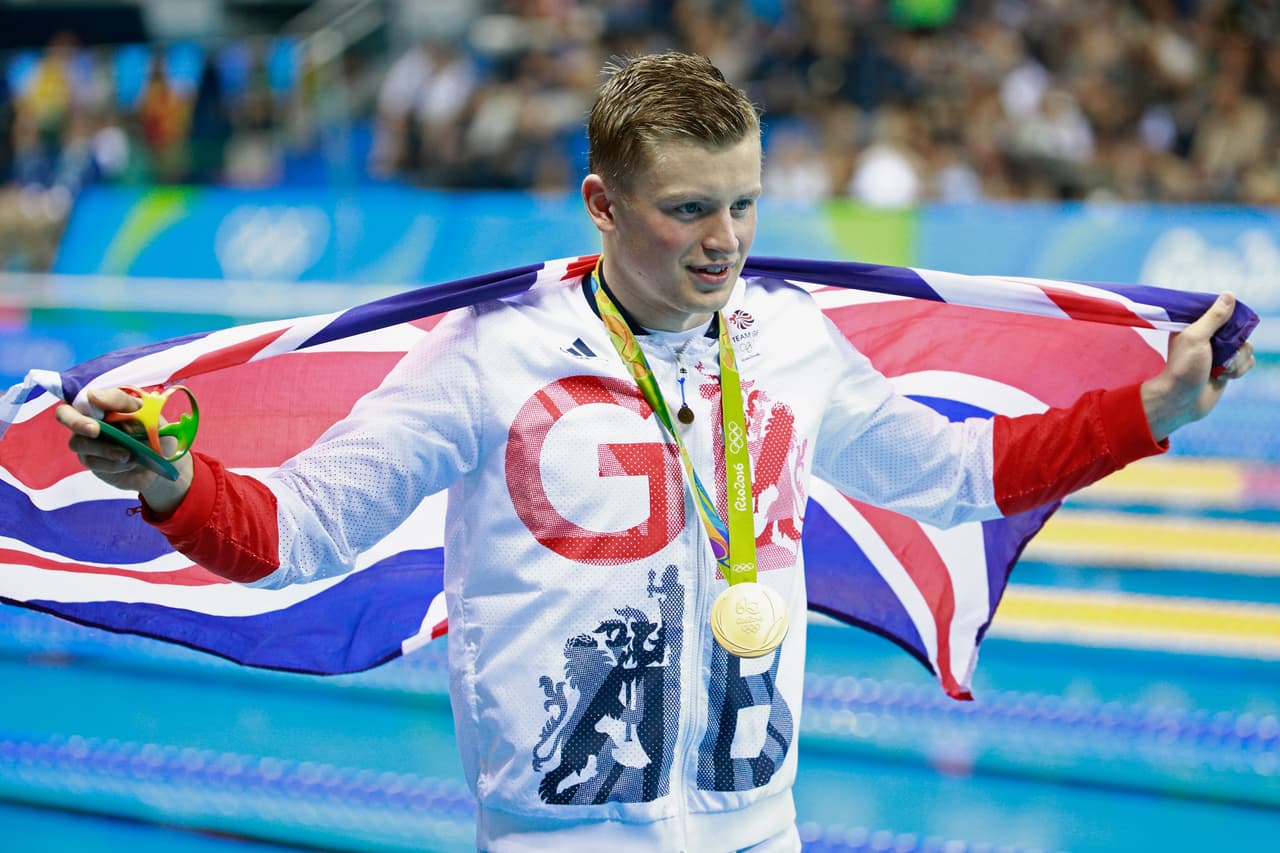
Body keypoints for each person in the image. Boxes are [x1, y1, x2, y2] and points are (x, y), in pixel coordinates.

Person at [56, 52, 1253, 852]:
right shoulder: (489, 357)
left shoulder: (789, 338)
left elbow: (951, 477)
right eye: (687, 208)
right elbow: (292, 536)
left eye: (742, 203)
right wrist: (167, 480)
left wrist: (1148, 411)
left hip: (755, 829)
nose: (724, 240)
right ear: (600, 202)